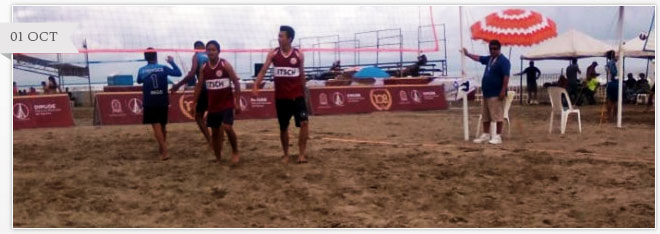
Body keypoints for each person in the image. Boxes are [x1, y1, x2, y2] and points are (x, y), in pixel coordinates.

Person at [253, 25, 310, 163]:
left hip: (297, 96)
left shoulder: (298, 54)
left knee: (304, 123)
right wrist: (256, 85)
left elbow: (302, 74)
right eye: (278, 36)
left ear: (289, 38)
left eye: (281, 36)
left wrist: (305, 92)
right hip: (281, 98)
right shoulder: (273, 54)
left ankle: (301, 154)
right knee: (283, 127)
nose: (278, 38)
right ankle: (286, 154)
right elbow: (263, 70)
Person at [192, 40, 241, 165]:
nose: (211, 52)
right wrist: (194, 102)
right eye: (209, 50)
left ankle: (235, 151)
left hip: (226, 103)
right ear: (206, 52)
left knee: (227, 127)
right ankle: (218, 157)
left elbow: (236, 83)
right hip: (213, 105)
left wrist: (237, 102)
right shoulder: (204, 68)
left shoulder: (225, 64)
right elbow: (199, 85)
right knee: (214, 133)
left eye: (213, 50)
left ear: (218, 51)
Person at [137, 47, 182, 160]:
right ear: (156, 56)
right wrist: (172, 62)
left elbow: (139, 80)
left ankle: (164, 150)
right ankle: (162, 148)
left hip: (150, 101)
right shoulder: (163, 68)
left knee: (156, 126)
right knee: (162, 126)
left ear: (145, 58)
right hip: (162, 99)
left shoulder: (142, 70)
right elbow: (178, 73)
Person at [462, 39, 510, 145]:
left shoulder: (504, 61)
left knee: (498, 115)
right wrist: (467, 54)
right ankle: (486, 134)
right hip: (487, 92)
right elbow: (478, 58)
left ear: (499, 49)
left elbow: (506, 76)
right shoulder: (489, 59)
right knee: (486, 115)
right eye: (491, 49)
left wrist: (503, 90)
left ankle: (498, 136)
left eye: (495, 49)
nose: (492, 51)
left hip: (496, 93)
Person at [170, 41, 212, 147]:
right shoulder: (212, 55)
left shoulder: (196, 56)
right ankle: (218, 139)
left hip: (204, 88)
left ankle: (211, 141)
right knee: (216, 115)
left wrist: (178, 85)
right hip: (215, 88)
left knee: (198, 117)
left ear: (196, 48)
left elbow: (192, 73)